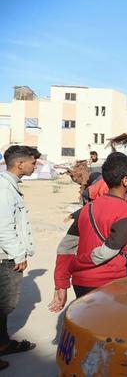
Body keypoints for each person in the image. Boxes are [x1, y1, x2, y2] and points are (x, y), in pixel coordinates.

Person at [69, 153, 127, 297]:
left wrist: (61, 281)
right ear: (125, 180)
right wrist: (77, 263)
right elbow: (109, 250)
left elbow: (65, 246)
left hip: (81, 281)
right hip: (107, 282)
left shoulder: (87, 208)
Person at [0, 146, 37, 368]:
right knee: (3, 305)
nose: (35, 165)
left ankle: (3, 343)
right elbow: (4, 227)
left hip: (7, 255)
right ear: (20, 164)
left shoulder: (9, 185)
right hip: (5, 256)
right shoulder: (5, 188)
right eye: (33, 162)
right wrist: (18, 255)